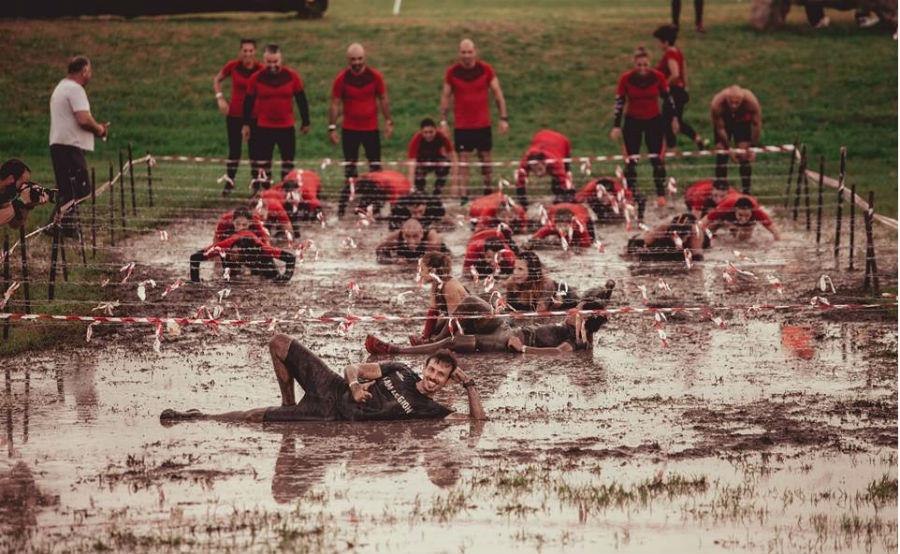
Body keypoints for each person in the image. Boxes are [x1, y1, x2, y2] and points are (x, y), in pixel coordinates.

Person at [160, 335, 486, 422]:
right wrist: (356, 387)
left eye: (441, 377)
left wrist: (468, 382)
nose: (433, 378)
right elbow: (353, 369)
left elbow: (478, 422)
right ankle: (287, 402)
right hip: (331, 385)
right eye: (432, 370)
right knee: (279, 343)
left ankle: (196, 416)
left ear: (445, 384)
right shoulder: (400, 369)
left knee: (252, 416)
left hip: (330, 414)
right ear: (425, 365)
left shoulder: (431, 410)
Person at [364, 288, 613, 356]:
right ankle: (428, 338)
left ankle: (396, 349)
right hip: (508, 327)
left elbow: (558, 353)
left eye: (576, 312)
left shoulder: (576, 341)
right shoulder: (577, 332)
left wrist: (523, 348)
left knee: (454, 342)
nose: (571, 311)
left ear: (584, 321)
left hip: (508, 340)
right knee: (473, 303)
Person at [610, 47, 678, 219]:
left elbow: (668, 99)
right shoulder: (626, 78)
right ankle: (631, 193)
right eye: (639, 64)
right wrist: (616, 125)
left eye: (645, 64)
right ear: (634, 63)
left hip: (654, 120)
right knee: (632, 160)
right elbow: (619, 102)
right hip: (632, 121)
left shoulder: (658, 77)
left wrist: (674, 119)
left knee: (657, 159)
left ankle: (661, 194)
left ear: (649, 63)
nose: (642, 68)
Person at [440, 39, 509, 203]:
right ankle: (464, 197)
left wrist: (503, 118)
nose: (466, 56)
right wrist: (443, 120)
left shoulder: (485, 69)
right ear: (459, 53)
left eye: (469, 52)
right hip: (462, 126)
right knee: (463, 162)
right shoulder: (452, 72)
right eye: (463, 52)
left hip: (483, 125)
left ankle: (488, 192)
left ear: (475, 52)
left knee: (486, 161)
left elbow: (497, 93)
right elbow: (445, 96)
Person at [48, 55, 109, 236]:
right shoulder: (75, 89)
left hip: (61, 144)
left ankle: (66, 227)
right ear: (84, 71)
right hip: (69, 145)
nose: (90, 75)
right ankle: (56, 225)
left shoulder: (62, 87)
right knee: (80, 189)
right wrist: (100, 129)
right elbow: (83, 119)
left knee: (69, 189)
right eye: (89, 71)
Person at [331, 43, 393, 217]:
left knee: (375, 167)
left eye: (359, 59)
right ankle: (344, 207)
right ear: (348, 60)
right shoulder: (342, 78)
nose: (356, 62)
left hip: (370, 129)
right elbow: (335, 103)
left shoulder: (375, 76)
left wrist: (388, 121)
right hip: (350, 130)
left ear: (364, 58)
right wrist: (331, 127)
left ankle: (377, 204)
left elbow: (383, 98)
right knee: (350, 169)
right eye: (353, 59)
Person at [242, 44, 310, 187]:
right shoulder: (255, 78)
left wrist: (305, 122)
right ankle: (266, 193)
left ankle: (287, 193)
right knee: (265, 163)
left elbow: (301, 99)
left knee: (288, 163)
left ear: (281, 60)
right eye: (269, 62)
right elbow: (248, 103)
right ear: (264, 61)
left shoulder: (292, 77)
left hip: (286, 127)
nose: (272, 65)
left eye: (275, 62)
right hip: (264, 127)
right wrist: (246, 124)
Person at [213, 38, 264, 195]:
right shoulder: (233, 66)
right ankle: (229, 182)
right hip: (235, 113)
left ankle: (256, 183)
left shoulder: (260, 69)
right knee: (234, 150)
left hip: (254, 115)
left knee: (254, 150)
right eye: (245, 50)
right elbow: (217, 79)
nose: (247, 54)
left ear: (255, 52)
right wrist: (220, 97)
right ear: (240, 51)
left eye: (250, 51)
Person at [653, 25, 707, 152]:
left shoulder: (670, 54)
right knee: (676, 121)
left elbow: (675, 74)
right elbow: (684, 70)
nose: (658, 45)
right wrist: (686, 86)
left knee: (666, 122)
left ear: (665, 41)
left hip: (674, 92)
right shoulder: (677, 52)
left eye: (659, 42)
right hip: (679, 91)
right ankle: (698, 140)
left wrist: (664, 85)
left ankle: (672, 148)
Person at [189, 228, 295, 283]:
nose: (231, 255)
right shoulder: (224, 247)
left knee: (273, 278)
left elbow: (290, 258)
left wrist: (285, 278)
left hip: (256, 253)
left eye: (234, 254)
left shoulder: (262, 249)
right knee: (230, 279)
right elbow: (194, 258)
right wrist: (195, 281)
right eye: (232, 252)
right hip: (236, 245)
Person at [710, 85, 762, 194]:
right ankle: (720, 189)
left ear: (742, 100)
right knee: (721, 151)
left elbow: (756, 124)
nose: (734, 106)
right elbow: (720, 128)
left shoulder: (751, 102)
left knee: (744, 153)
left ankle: (746, 191)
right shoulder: (717, 104)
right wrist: (729, 149)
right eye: (731, 102)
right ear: (726, 99)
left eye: (737, 103)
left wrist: (752, 146)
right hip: (725, 119)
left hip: (742, 119)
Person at [503, 250, 580, 312]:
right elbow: (510, 309)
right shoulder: (511, 284)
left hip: (567, 298)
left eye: (520, 269)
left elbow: (540, 314)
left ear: (531, 271)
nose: (515, 273)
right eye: (514, 268)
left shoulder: (545, 285)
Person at [513, 129, 574, 207]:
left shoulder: (555, 163)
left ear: (545, 164)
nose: (538, 174)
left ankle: (559, 199)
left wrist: (567, 199)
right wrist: (524, 205)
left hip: (561, 142)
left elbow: (565, 183)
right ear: (529, 165)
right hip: (541, 136)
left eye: (540, 169)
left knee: (562, 179)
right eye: (534, 170)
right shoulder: (525, 162)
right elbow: (520, 185)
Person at [626, 212, 704, 261]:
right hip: (656, 238)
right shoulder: (664, 227)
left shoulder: (696, 234)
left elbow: (697, 259)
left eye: (682, 236)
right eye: (676, 234)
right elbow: (641, 242)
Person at [407, 118, 455, 196]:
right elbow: (411, 165)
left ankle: (437, 193)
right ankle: (420, 192)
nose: (428, 135)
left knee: (445, 164)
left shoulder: (442, 136)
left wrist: (454, 184)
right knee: (418, 173)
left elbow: (453, 157)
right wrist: (411, 187)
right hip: (421, 161)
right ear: (421, 132)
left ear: (436, 130)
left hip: (436, 159)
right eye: (425, 132)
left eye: (431, 132)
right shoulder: (416, 140)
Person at [701, 194, 780, 241]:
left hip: (745, 208)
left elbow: (775, 231)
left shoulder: (757, 212)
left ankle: (734, 228)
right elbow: (702, 223)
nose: (743, 219)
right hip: (727, 211)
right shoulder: (724, 208)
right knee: (712, 227)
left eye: (747, 215)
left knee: (744, 240)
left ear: (752, 212)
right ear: (735, 210)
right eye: (740, 215)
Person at [0, 159, 52, 228]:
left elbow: (15, 224)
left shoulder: (4, 192)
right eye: (22, 184)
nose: (22, 188)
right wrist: (20, 202)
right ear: (11, 178)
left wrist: (28, 205)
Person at [375, 217, 449, 264]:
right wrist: (393, 260)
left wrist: (411, 262)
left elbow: (435, 262)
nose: (411, 241)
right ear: (403, 234)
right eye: (407, 236)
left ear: (421, 234)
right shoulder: (396, 236)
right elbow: (379, 249)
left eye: (415, 236)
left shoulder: (432, 241)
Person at [527, 204, 595, 249]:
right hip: (557, 208)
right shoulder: (551, 225)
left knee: (592, 240)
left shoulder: (580, 227)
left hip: (581, 211)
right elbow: (534, 238)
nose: (561, 229)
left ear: (571, 224)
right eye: (559, 226)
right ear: (555, 223)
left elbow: (586, 246)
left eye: (564, 226)